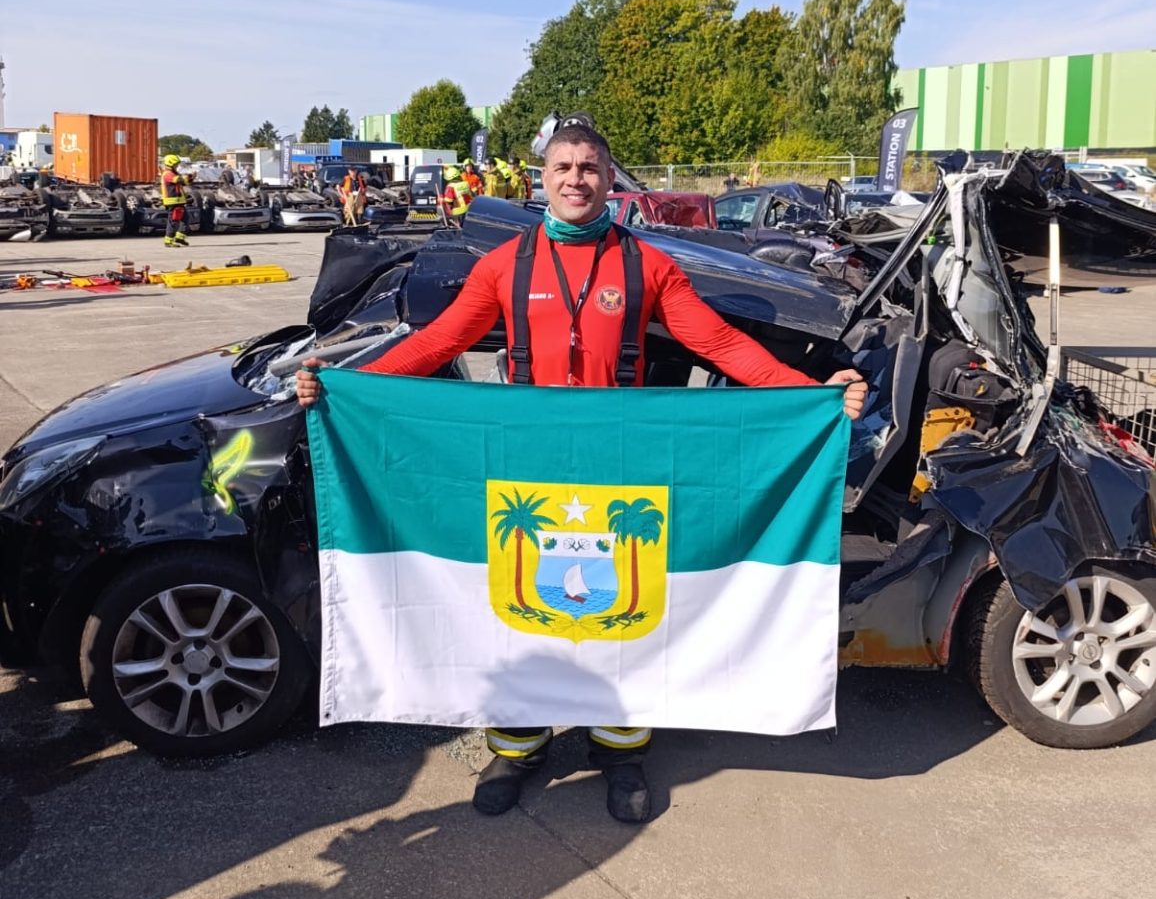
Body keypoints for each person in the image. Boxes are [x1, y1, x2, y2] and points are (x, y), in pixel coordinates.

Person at [297, 125, 866, 824]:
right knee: (517, 610)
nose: (576, 178)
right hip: (525, 467)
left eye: (590, 167)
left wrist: (811, 393)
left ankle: (620, 751)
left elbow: (718, 343)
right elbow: (439, 341)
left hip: (618, 465)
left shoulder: (647, 265)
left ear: (607, 178)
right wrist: (348, 384)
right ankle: (516, 749)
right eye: (563, 166)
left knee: (621, 607)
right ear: (543, 177)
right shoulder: (504, 266)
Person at [159, 155, 190, 247]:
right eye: (176, 164)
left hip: (179, 201)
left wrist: (190, 177)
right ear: (171, 164)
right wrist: (186, 177)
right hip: (173, 201)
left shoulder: (174, 172)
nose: (177, 166)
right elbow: (177, 180)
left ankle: (180, 238)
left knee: (185, 219)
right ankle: (168, 241)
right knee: (174, 221)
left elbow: (183, 182)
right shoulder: (167, 174)